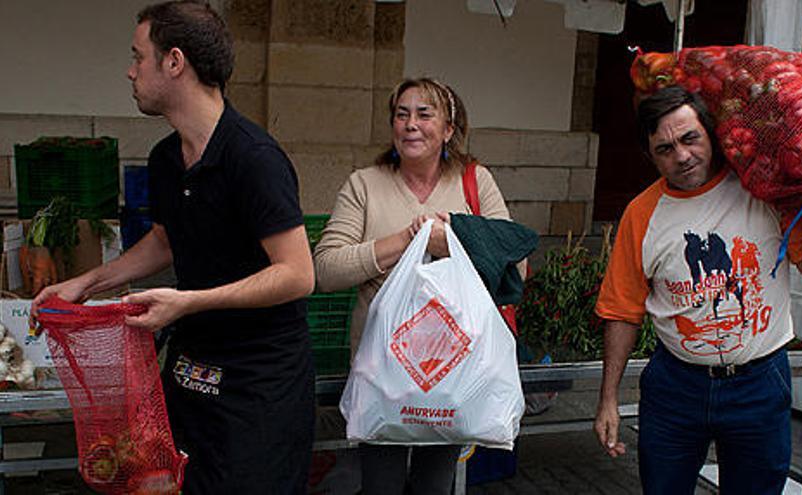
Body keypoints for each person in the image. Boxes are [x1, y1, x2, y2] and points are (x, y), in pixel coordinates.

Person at [31, 1, 316, 493]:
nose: (130, 70)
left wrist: (189, 301)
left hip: (258, 386)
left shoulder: (253, 158)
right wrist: (88, 281)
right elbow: (167, 238)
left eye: (139, 57)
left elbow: (297, 274)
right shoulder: (167, 157)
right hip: (190, 372)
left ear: (175, 62)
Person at [592, 86, 802, 494]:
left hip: (759, 382)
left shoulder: (763, 193)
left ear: (711, 134)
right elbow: (622, 311)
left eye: (690, 139)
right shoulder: (642, 214)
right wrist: (608, 397)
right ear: (650, 156)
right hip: (675, 386)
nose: (681, 156)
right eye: (664, 148)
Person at [313, 78, 518, 495]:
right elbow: (326, 269)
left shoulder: (475, 183)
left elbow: (515, 264)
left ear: (448, 129)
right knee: (380, 484)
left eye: (425, 114)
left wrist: (453, 243)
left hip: (453, 372)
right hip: (382, 373)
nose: (411, 124)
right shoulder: (364, 185)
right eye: (401, 114)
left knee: (435, 484)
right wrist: (408, 241)